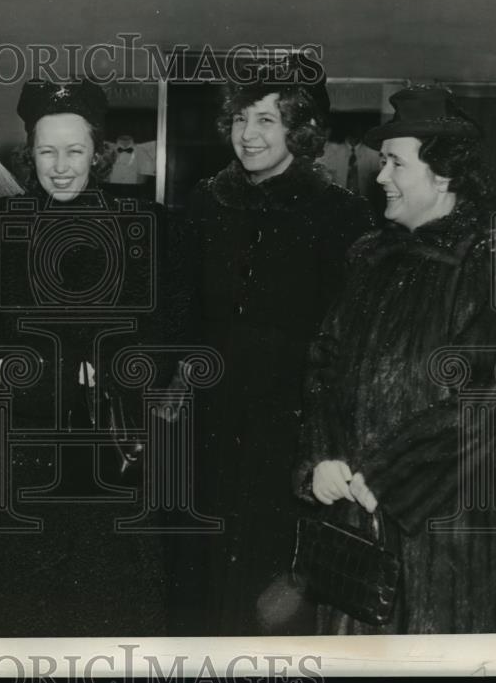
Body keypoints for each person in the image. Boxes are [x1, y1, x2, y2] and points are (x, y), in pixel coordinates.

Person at [0, 78, 171, 636]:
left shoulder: (143, 227)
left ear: (99, 152)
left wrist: (118, 362)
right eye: (46, 151)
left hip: (103, 449)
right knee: (17, 610)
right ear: (28, 153)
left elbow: (167, 330)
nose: (60, 167)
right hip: (16, 447)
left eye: (74, 151)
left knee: (102, 607)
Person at [294, 84, 496, 633]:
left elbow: (484, 396)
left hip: (441, 525)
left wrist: (389, 477)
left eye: (395, 162)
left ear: (442, 173)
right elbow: (323, 363)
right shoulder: (369, 256)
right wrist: (322, 456)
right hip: (354, 510)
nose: (380, 177)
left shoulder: (488, 259)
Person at [169, 58, 375, 635]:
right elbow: (183, 313)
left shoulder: (342, 215)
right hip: (208, 417)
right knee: (200, 562)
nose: (249, 134)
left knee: (273, 581)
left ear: (298, 129)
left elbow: (348, 340)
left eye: (266, 119)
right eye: (239, 119)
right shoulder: (207, 203)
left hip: (291, 424)